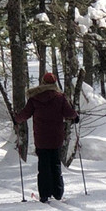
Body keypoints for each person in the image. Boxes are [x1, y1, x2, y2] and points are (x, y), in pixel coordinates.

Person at [14, 72, 78, 202]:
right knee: (55, 164)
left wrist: (16, 119)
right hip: (56, 137)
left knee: (43, 165)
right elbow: (69, 113)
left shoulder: (34, 98)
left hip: (41, 138)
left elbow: (25, 114)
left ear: (43, 82)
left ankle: (44, 194)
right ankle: (58, 193)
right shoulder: (60, 98)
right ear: (54, 83)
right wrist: (76, 117)